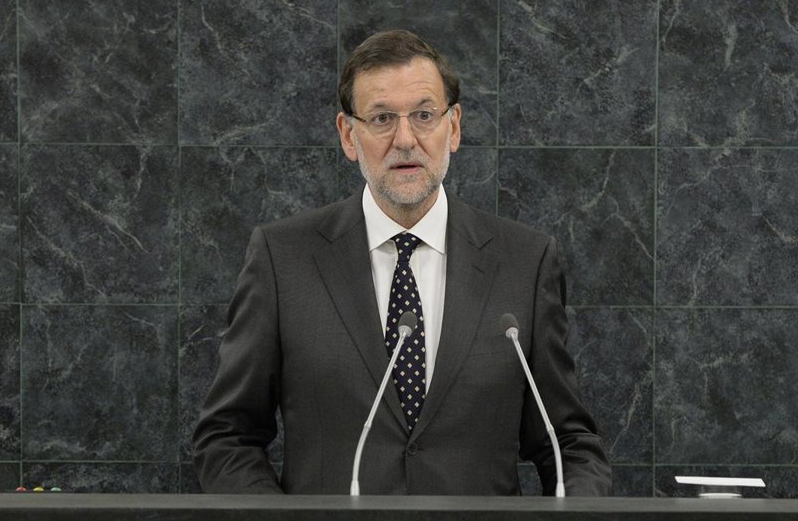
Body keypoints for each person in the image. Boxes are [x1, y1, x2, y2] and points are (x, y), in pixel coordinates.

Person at [193, 29, 610, 496]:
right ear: (348, 135)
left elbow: (567, 445)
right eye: (382, 118)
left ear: (454, 127)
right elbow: (227, 438)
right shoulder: (283, 258)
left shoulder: (524, 263)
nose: (405, 139)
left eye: (424, 116)